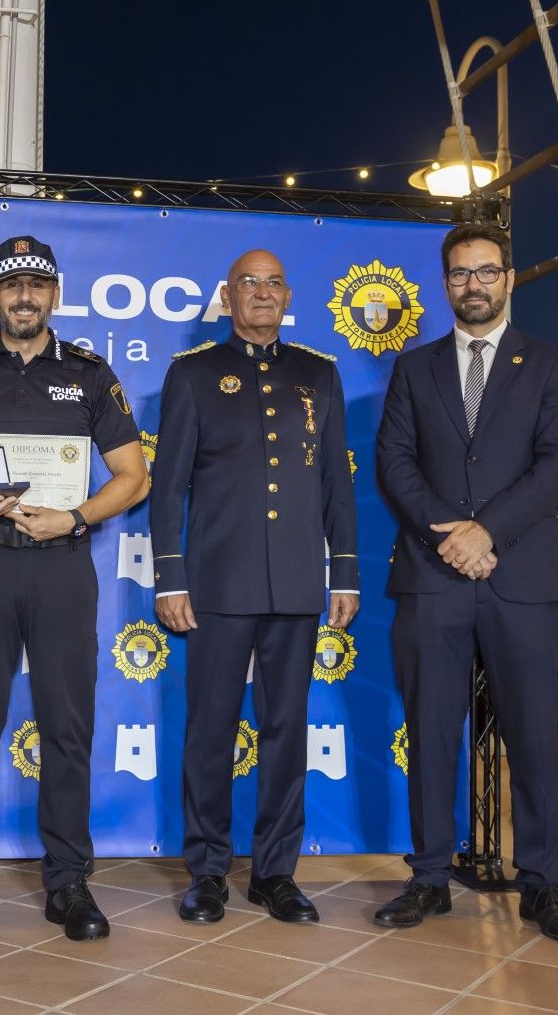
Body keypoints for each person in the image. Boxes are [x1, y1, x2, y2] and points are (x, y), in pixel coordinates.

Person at [0, 235, 149, 942]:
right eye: (12, 285)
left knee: (67, 727)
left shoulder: (89, 372)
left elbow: (134, 476)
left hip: (61, 567)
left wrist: (74, 516)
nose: (25, 296)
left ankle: (69, 881)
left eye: (37, 285)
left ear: (55, 296)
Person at [372, 222, 558, 943]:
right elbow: (394, 463)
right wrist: (453, 537)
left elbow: (557, 464)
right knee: (430, 735)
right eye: (460, 274)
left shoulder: (548, 363)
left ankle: (542, 885)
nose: (473, 285)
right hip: (433, 578)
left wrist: (486, 532)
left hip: (518, 577)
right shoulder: (415, 367)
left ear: (510, 278)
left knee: (531, 737)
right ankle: (429, 877)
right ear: (446, 284)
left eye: (486, 272)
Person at [150, 248, 360, 925]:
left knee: (285, 731)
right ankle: (207, 871)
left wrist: (346, 573)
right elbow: (168, 488)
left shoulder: (318, 377)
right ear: (228, 296)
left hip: (297, 585)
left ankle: (275, 872)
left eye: (273, 283)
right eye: (249, 283)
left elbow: (337, 485)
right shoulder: (193, 375)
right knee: (210, 732)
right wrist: (169, 579)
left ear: (287, 295)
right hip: (215, 584)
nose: (262, 293)